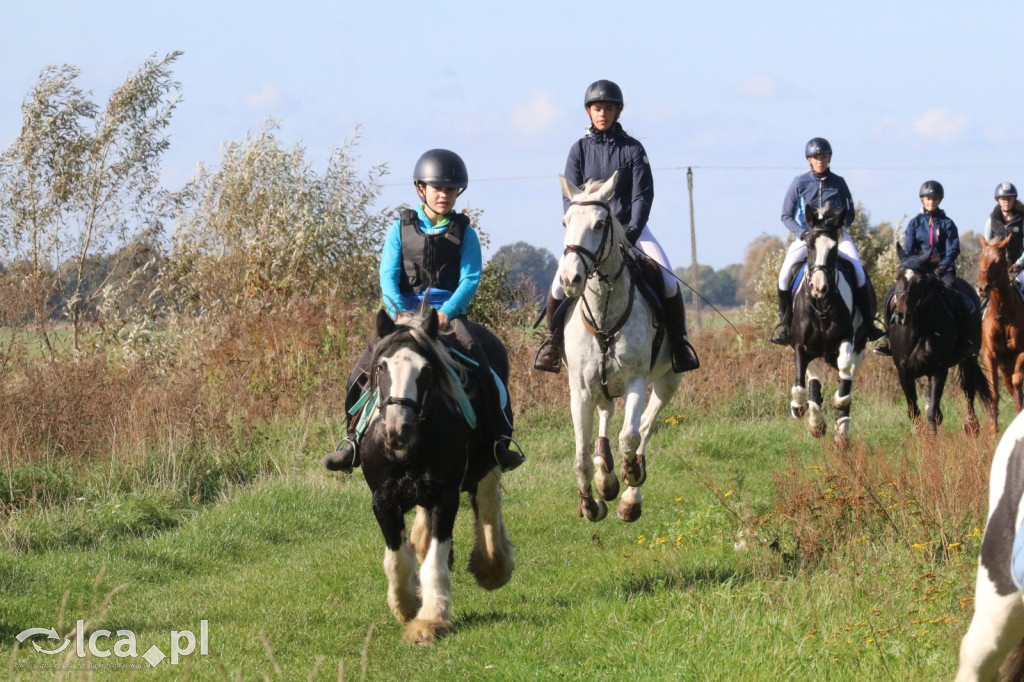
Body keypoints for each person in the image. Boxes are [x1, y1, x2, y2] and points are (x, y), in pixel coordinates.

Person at [322, 149, 525, 474]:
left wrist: (449, 310)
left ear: (458, 193)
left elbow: (470, 277)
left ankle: (498, 441)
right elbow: (388, 277)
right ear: (421, 190)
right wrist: (398, 311)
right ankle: (352, 441)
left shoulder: (465, 233)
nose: (444, 195)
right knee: (361, 370)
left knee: (484, 368)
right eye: (437, 188)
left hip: (448, 316)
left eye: (450, 190)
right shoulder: (399, 230)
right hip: (402, 315)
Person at [533, 79, 699, 374]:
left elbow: (642, 195)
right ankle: (553, 345)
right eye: (597, 108)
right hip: (589, 236)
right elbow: (569, 195)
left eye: (609, 108)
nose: (603, 113)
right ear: (588, 112)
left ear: (617, 112)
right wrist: (577, 229)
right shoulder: (578, 150)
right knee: (559, 284)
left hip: (630, 229)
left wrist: (632, 233)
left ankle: (679, 345)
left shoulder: (633, 149)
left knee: (669, 280)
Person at [771, 137, 885, 346]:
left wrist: (839, 228)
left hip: (836, 237)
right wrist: (803, 234)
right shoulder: (799, 183)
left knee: (859, 272)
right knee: (784, 276)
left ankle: (869, 324)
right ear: (809, 160)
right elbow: (786, 216)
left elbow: (850, 212)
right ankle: (786, 327)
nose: (820, 160)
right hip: (807, 238)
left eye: (824, 157)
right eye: (816, 157)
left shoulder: (839, 182)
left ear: (829, 158)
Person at [874, 180, 978, 357]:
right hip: (919, 270)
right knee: (891, 295)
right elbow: (907, 250)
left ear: (939, 200)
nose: (931, 201)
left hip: (943, 270)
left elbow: (953, 249)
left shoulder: (947, 223)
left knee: (959, 295)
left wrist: (942, 267)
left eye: (935, 198)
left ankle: (966, 340)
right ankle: (888, 339)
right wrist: (916, 265)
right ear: (922, 199)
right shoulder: (914, 223)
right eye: (928, 198)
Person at [984, 182, 1024, 287]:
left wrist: (1019, 263)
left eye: (1009, 198)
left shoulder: (1022, 221)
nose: (1006, 201)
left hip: (1020, 268)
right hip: (998, 268)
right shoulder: (991, 222)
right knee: (982, 290)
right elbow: (987, 248)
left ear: (1014, 199)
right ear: (998, 200)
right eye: (1003, 199)